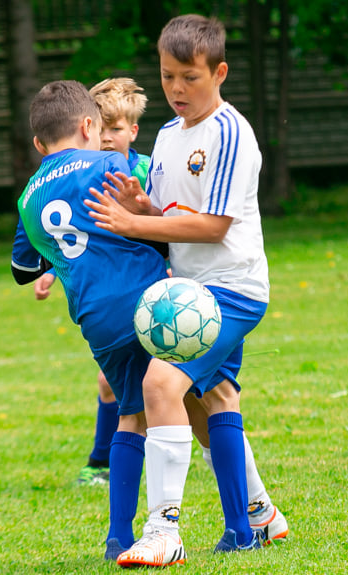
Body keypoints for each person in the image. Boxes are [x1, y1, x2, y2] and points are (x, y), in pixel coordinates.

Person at [85, 14, 288, 566]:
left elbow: (213, 225)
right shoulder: (169, 135)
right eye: (168, 76)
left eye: (190, 78)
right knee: (214, 400)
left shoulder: (229, 132)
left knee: (159, 383)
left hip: (233, 288)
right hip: (189, 291)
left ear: (218, 72)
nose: (177, 89)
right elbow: (171, 213)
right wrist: (140, 205)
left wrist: (136, 225)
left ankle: (163, 530)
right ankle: (257, 517)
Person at [11, 79, 169, 561]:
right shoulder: (113, 163)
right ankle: (232, 520)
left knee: (130, 414)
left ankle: (117, 537)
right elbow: (153, 223)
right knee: (204, 396)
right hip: (149, 299)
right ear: (89, 126)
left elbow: (22, 269)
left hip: (96, 318)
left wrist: (58, 263)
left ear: (39, 145)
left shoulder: (27, 198)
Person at [30, 77, 152, 486]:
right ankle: (104, 461)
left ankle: (137, 457)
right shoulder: (90, 173)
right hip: (120, 302)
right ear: (89, 127)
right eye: (103, 128)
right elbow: (81, 240)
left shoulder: (143, 171)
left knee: (158, 394)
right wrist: (50, 270)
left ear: (132, 131)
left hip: (149, 291)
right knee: (125, 393)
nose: (107, 138)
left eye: (115, 130)